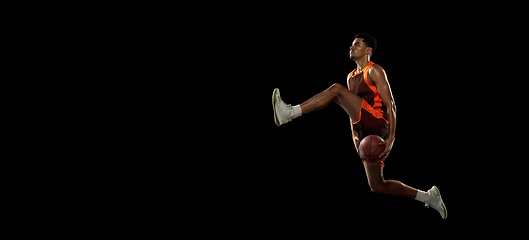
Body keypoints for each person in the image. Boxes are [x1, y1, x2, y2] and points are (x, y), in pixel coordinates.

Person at [271, 33, 447, 219]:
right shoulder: (351, 77)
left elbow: (391, 105)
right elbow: (352, 109)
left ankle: (289, 113)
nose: (351, 47)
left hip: (379, 123)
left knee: (336, 90)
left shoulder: (374, 70)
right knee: (377, 185)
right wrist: (355, 136)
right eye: (351, 45)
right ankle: (429, 197)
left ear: (368, 50)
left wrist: (392, 137)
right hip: (365, 128)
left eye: (356, 45)